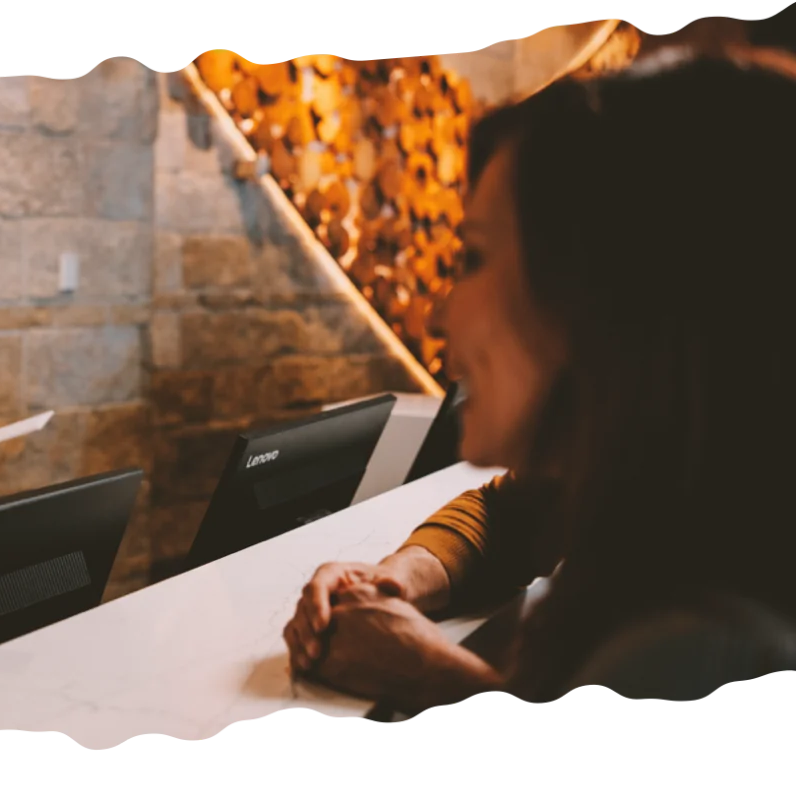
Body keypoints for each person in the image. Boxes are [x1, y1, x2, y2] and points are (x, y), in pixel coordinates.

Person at [283, 45, 796, 711]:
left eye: (476, 256)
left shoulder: (706, 648)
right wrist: (392, 580)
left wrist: (433, 678)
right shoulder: (689, 489)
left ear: (621, 295)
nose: (445, 311)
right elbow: (513, 511)